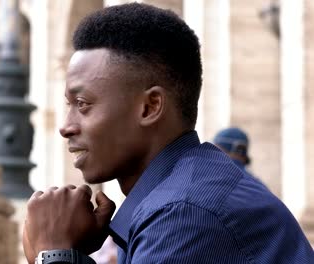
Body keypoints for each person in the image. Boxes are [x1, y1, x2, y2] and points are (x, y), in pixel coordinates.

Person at [23, 3, 314, 264]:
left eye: (83, 104)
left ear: (150, 107)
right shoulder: (174, 197)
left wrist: (53, 253)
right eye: (68, 105)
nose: (66, 126)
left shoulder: (186, 213)